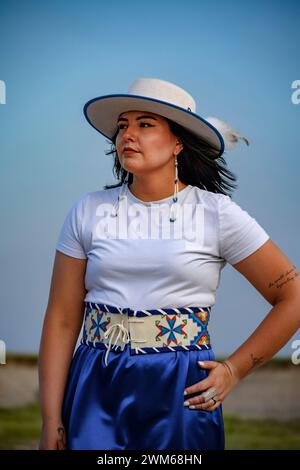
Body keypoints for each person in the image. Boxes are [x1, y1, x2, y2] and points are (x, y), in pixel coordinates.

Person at [38, 77, 300, 451]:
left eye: (145, 124)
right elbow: (63, 318)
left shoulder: (217, 214)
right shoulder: (88, 210)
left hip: (181, 387)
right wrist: (51, 419)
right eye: (123, 125)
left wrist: (235, 369)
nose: (128, 134)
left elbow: (293, 296)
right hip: (96, 381)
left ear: (178, 141)